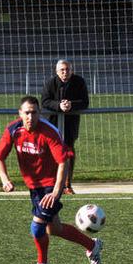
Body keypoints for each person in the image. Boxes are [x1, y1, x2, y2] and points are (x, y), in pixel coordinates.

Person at [0, 96, 102, 264]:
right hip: (33, 186)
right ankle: (92, 245)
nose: (30, 116)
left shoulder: (49, 132)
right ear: (20, 114)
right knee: (54, 229)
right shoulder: (13, 130)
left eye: (34, 112)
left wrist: (56, 191)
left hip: (51, 184)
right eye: (26, 112)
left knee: (37, 227)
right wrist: (5, 180)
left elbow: (63, 162)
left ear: (40, 113)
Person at [41, 59, 89, 195]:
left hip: (70, 123)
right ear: (57, 72)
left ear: (71, 70)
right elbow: (44, 101)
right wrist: (59, 106)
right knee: (50, 152)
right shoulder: (51, 83)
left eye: (67, 69)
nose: (65, 72)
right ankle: (51, 183)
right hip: (52, 123)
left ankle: (67, 184)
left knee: (68, 152)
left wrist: (70, 105)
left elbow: (85, 102)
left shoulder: (79, 82)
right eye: (62, 70)